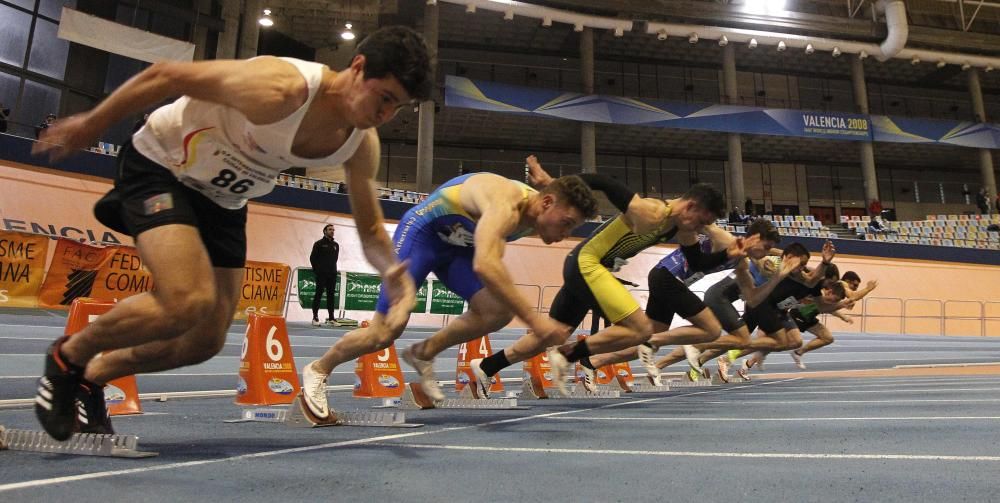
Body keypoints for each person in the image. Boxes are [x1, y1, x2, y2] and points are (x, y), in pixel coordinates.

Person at [30, 26, 432, 441]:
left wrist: (394, 276)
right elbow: (165, 76)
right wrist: (91, 124)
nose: (385, 115)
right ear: (358, 67)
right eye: (384, 98)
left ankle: (92, 378)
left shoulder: (361, 144)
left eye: (397, 108)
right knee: (188, 299)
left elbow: (369, 229)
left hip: (225, 201)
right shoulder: (280, 87)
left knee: (204, 341)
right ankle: (67, 358)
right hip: (164, 169)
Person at [299, 167, 598, 417]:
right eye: (568, 224)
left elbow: (553, 192)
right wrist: (537, 321)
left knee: (498, 311)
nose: (566, 235)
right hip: (424, 235)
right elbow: (486, 265)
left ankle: (424, 353)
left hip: (458, 247)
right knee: (384, 332)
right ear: (546, 204)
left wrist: (546, 179)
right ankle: (319, 368)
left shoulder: (543, 202)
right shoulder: (505, 204)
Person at [467, 157, 744, 397]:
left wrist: (729, 255)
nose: (700, 228)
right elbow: (603, 181)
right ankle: (568, 355)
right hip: (587, 264)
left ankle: (486, 367)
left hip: (585, 267)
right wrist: (555, 185)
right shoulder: (652, 211)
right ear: (690, 207)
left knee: (553, 333)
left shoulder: (680, 228)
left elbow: (697, 262)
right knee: (641, 329)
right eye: (700, 221)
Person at [310, 224, 340, 326]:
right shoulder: (318, 244)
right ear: (325, 231)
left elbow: (335, 259)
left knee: (331, 296)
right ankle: (315, 318)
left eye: (333, 230)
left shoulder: (336, 245)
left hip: (332, 275)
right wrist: (318, 271)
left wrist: (332, 271)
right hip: (321, 274)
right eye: (330, 229)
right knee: (318, 295)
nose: (332, 231)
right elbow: (313, 258)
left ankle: (331, 318)